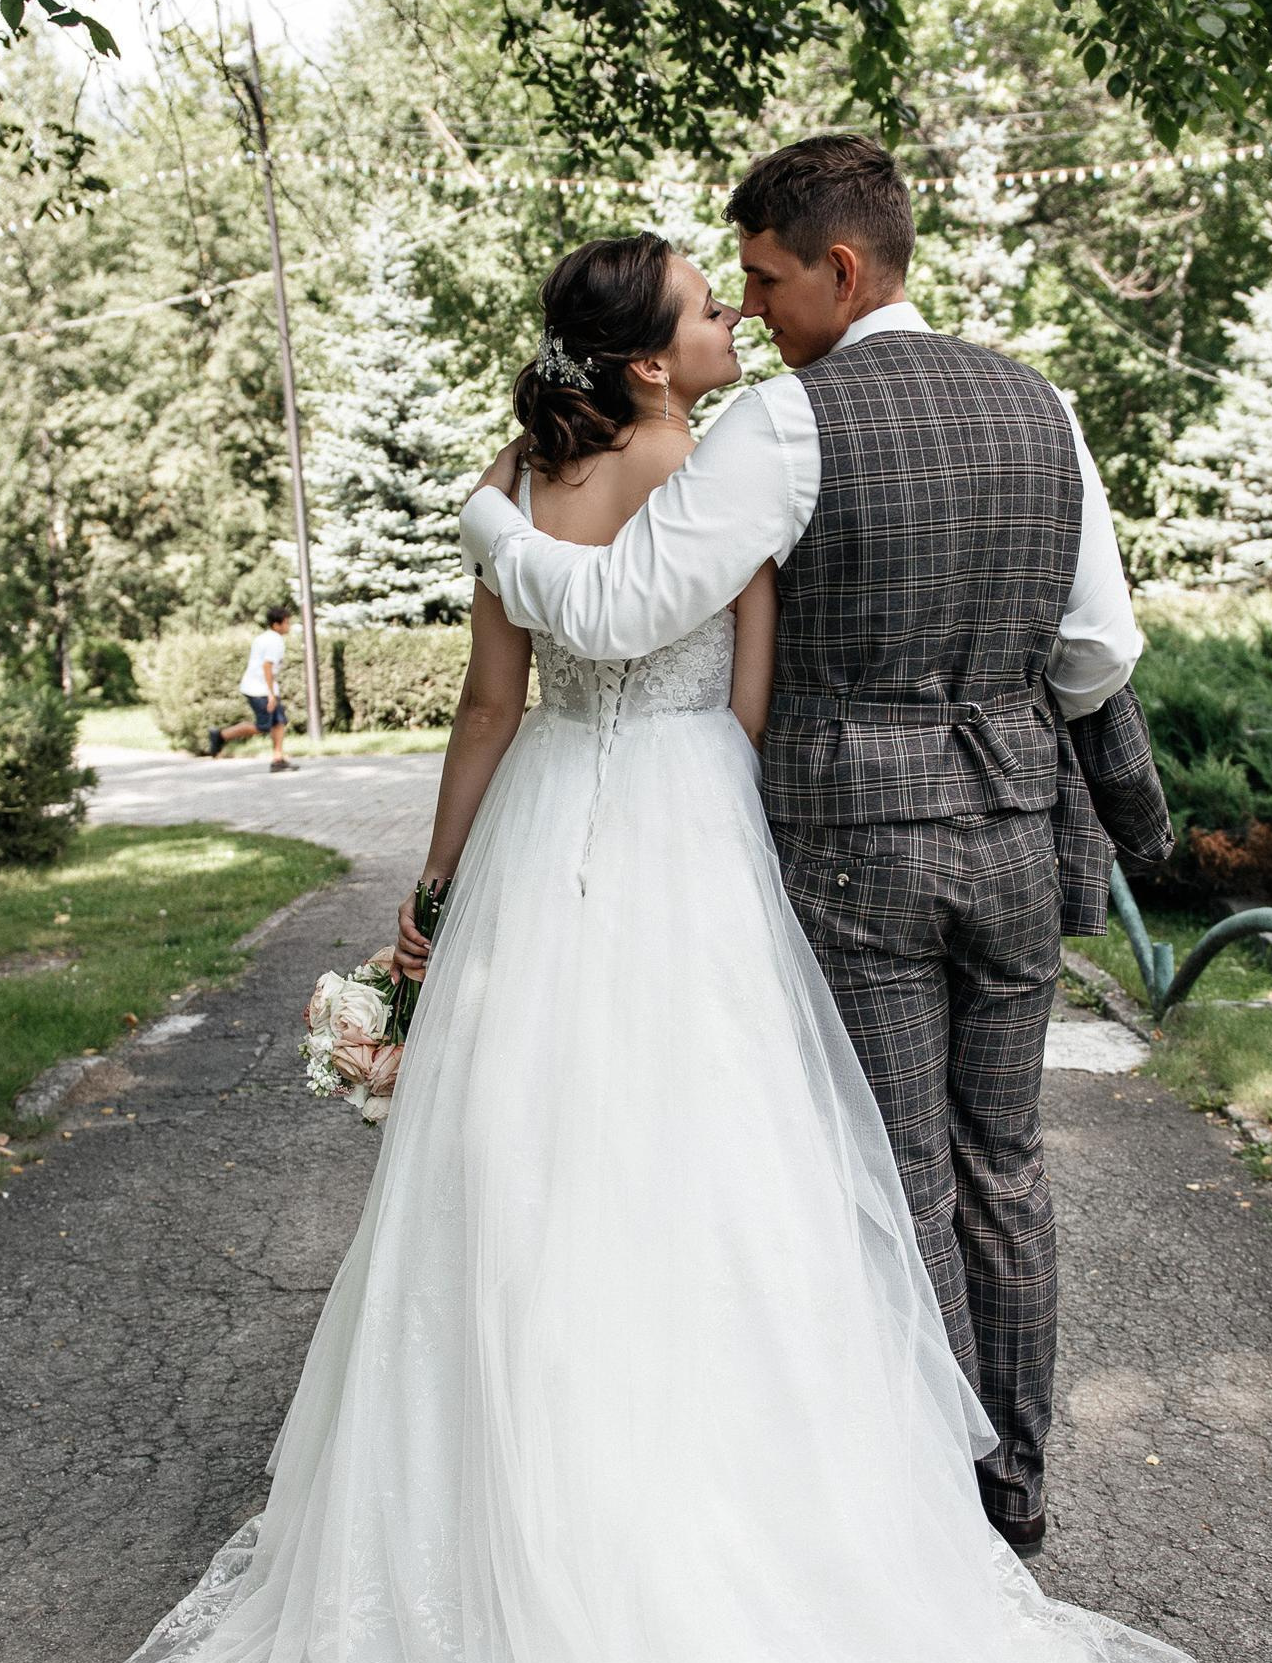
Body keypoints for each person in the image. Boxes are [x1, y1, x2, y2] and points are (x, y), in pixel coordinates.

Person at [0, 226, 1272, 1663]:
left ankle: (516, 1528)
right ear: (647, 361)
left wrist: (438, 894)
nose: (730, 321)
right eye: (702, 311)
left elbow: (487, 700)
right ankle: (841, 1514)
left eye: (743, 292)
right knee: (764, 1208)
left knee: (521, 1209)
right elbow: (749, 682)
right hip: (699, 848)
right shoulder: (733, 471)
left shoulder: (526, 485)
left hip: (548, 851)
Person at [460, 134, 1170, 1554]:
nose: (757, 310)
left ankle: (928, 1501)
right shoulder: (1046, 408)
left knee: (898, 1165)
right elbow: (1096, 653)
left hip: (862, 851)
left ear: (843, 271)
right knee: (1007, 1164)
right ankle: (1015, 1483)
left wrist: (489, 516)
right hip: (1017, 839)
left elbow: (612, 611)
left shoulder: (792, 428)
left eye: (770, 281)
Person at [209, 603, 295, 769]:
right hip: (260, 690)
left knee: (279, 721)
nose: (288, 626)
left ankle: (278, 759)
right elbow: (267, 667)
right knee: (263, 726)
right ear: (276, 625)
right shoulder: (274, 641)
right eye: (286, 623)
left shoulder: (263, 637)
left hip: (260, 687)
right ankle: (220, 735)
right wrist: (270, 694)